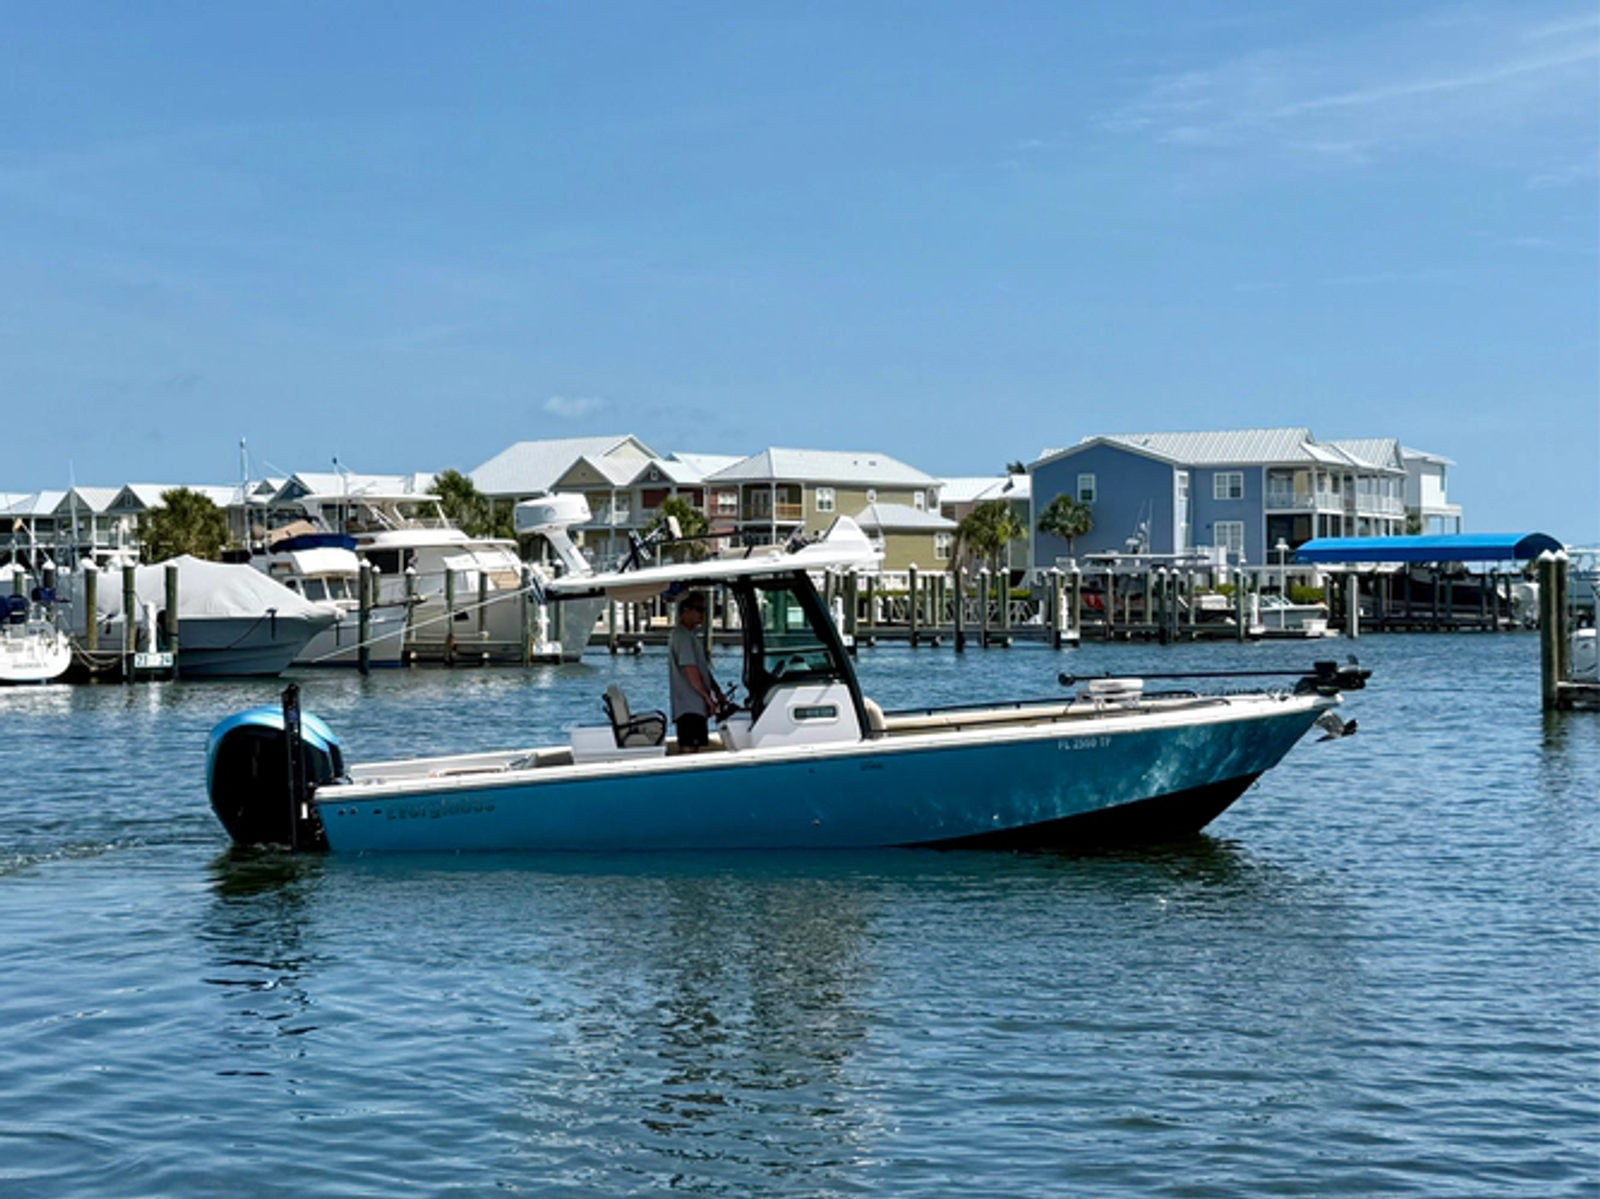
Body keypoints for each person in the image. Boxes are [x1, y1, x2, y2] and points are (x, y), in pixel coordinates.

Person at [668, 591, 724, 751]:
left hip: (695, 707)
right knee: (689, 749)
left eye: (704, 609)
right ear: (685, 611)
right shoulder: (682, 637)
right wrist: (708, 698)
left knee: (697, 747)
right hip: (689, 707)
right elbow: (691, 670)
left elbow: (701, 669)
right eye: (699, 609)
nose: (703, 614)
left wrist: (717, 691)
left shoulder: (690, 636)